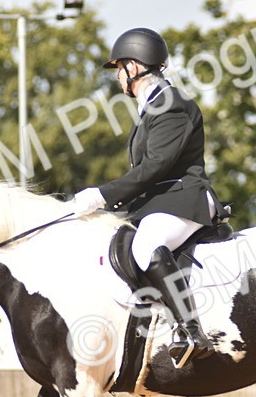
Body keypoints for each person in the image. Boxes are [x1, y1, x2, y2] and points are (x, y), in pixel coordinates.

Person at [71, 27, 220, 368]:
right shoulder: (152, 106)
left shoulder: (172, 104)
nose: (117, 77)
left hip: (185, 197)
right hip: (163, 201)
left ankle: (190, 331)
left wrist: (102, 195)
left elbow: (154, 167)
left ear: (134, 67)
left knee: (146, 244)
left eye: (119, 68)